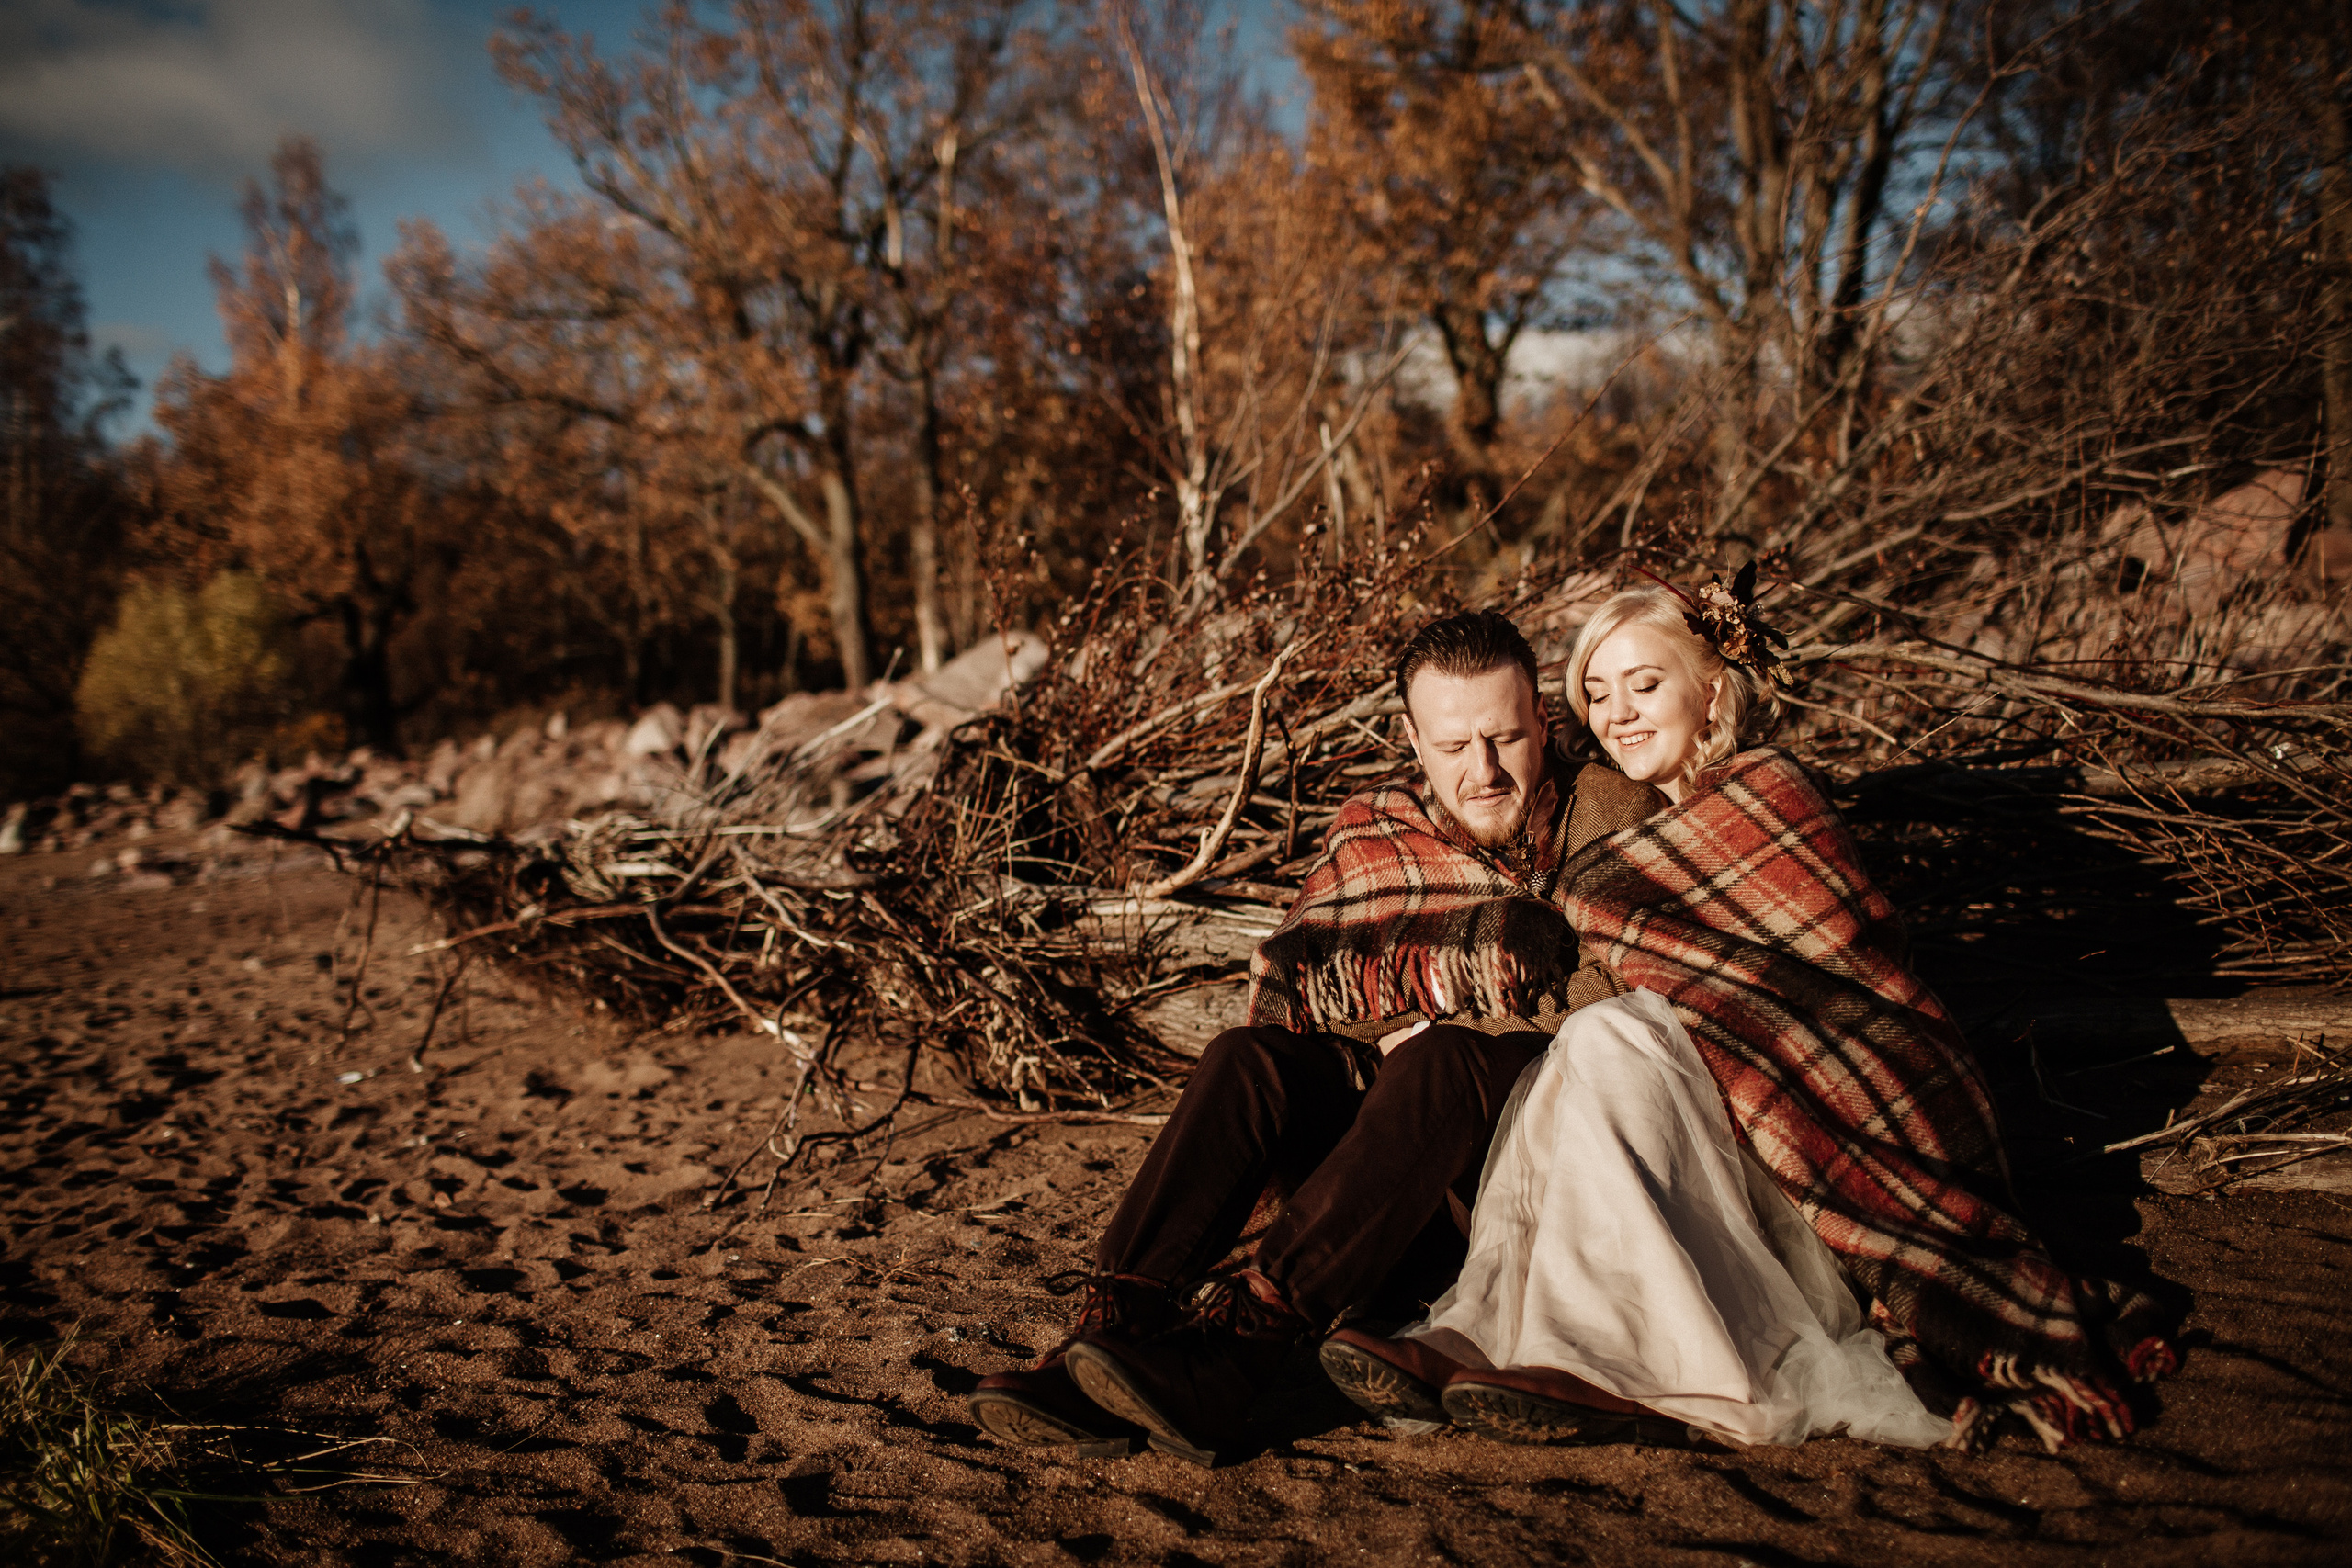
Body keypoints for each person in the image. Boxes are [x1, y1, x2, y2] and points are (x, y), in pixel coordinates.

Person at [1322, 578, 2181, 1454]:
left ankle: (1619, 1356)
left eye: (1644, 684)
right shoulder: (1621, 832)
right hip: (1697, 1135)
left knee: (1607, 1036)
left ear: (1712, 688)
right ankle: (1496, 1331)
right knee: (1590, 1045)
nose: (1617, 712)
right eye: (1597, 691)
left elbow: (1829, 990)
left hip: (1796, 1143)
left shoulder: (1769, 795)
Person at [967, 609, 1664, 1462]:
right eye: (1452, 747)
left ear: (1544, 721)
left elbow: (1635, 992)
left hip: (1508, 1171)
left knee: (1441, 1058)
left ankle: (1246, 1342)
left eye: (1504, 738)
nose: (1481, 771)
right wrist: (1441, 984)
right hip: (1373, 1158)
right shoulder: (1376, 825)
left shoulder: (1613, 810)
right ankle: (1117, 1325)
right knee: (1247, 1060)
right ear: (1411, 737)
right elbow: (1295, 989)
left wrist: (1443, 1017)